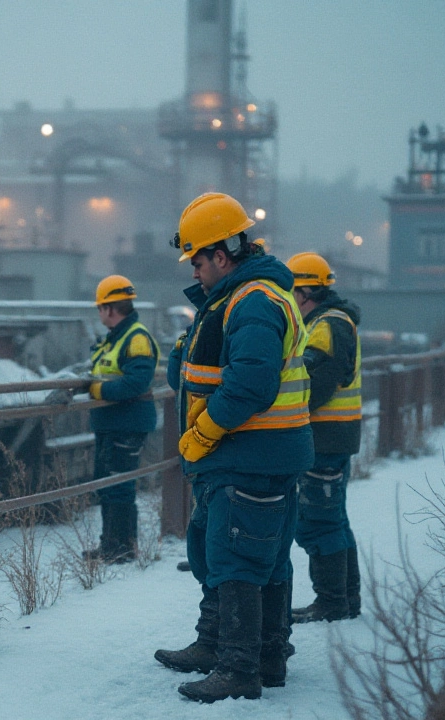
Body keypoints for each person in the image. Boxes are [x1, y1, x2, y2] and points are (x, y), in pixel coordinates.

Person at [153, 193, 313, 703]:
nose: (194, 271)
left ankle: (240, 669)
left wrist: (204, 433)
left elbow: (251, 383)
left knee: (241, 558)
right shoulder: (234, 300)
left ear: (222, 255)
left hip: (249, 454)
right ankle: (251, 651)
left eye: (197, 260)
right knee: (238, 552)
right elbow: (193, 372)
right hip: (251, 456)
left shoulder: (255, 302)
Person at [285, 252, 362, 623]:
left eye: (291, 291)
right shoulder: (329, 322)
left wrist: (282, 406)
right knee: (335, 519)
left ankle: (332, 602)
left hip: (325, 437)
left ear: (305, 291)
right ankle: (346, 600)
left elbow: (317, 384)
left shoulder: (326, 326)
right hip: (334, 435)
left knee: (319, 521)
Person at [83, 275, 158, 564]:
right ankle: (111, 545)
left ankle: (122, 549)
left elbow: (136, 383)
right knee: (107, 484)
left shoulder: (136, 338)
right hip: (111, 423)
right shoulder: (116, 338)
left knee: (119, 486)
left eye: (100, 308)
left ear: (109, 309)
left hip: (126, 424)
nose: (100, 313)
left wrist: (97, 389)